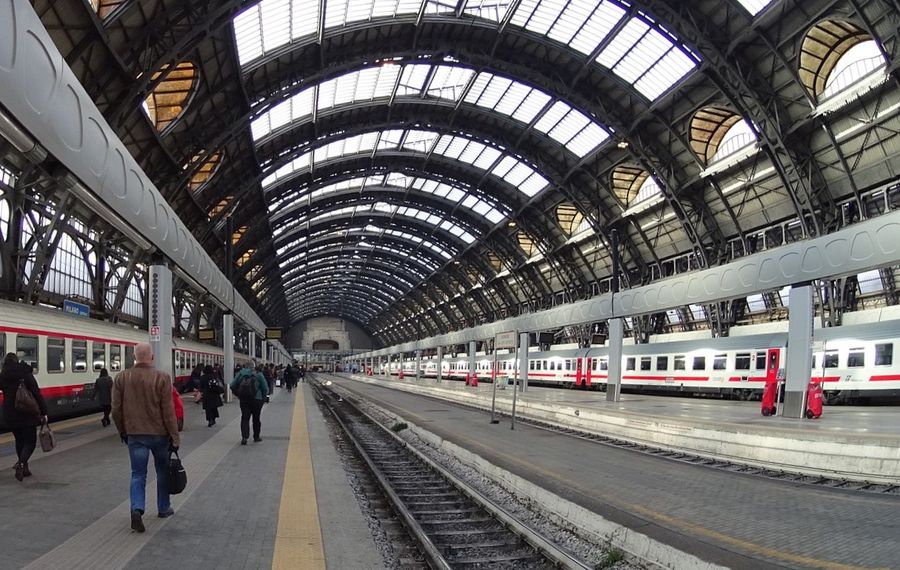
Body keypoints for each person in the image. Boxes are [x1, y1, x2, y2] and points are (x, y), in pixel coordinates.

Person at [111, 343, 180, 533]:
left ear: (134, 357)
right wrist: (175, 436)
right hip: (160, 435)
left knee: (138, 474)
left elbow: (115, 410)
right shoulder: (162, 378)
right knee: (162, 471)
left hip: (135, 435)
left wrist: (122, 430)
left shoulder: (122, 378)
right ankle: (163, 508)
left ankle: (137, 509)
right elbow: (168, 412)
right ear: (151, 357)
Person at [0, 353, 48, 481]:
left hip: (10, 414)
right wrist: (44, 411)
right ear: (17, 361)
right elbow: (36, 392)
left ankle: (25, 468)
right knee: (30, 442)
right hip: (26, 412)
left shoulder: (3, 375)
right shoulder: (25, 373)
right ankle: (21, 464)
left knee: (20, 441)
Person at [230, 362, 268, 445]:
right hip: (257, 400)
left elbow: (232, 385)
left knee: (245, 418)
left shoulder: (240, 374)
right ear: (254, 367)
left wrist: (238, 394)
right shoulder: (258, 374)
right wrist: (263, 398)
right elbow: (265, 388)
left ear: (245, 366)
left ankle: (244, 437)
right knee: (256, 418)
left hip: (244, 400)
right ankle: (256, 437)